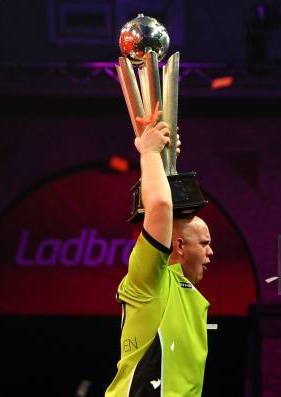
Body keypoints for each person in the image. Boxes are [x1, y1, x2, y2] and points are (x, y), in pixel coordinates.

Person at [106, 113, 214, 396]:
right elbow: (160, 207)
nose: (210, 252)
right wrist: (150, 152)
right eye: (203, 243)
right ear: (177, 246)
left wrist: (164, 162)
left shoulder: (191, 297)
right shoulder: (149, 281)